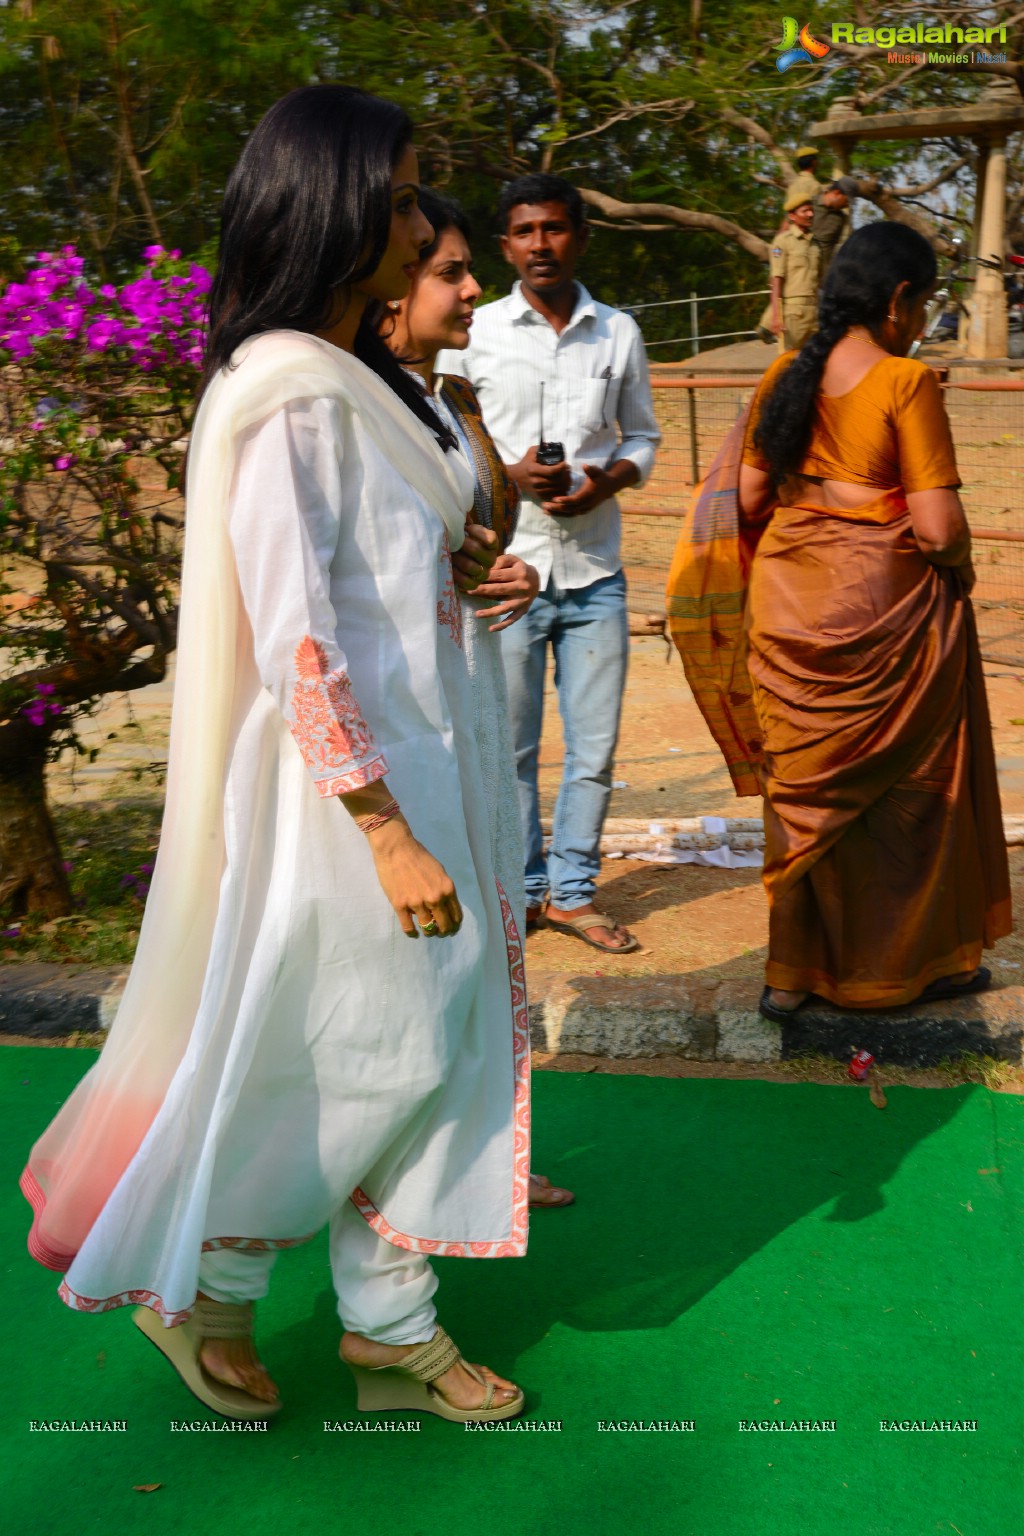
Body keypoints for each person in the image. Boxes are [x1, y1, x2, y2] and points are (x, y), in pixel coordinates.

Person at [20, 85, 528, 1425]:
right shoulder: (285, 390)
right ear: (341, 205)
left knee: (416, 1035)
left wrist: (477, 577)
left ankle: (384, 1330)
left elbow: (381, 578)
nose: (427, 227)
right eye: (410, 194)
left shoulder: (362, 383)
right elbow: (298, 634)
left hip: (423, 771)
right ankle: (211, 1292)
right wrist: (380, 826)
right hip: (343, 798)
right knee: (357, 1046)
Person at [676, 221, 1011, 1018]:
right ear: (899, 300)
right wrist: (957, 567)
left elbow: (749, 499)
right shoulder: (906, 381)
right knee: (914, 792)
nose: (925, 319)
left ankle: (789, 976)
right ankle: (907, 969)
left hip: (789, 608)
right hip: (889, 613)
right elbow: (936, 528)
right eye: (926, 302)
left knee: (801, 792)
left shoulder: (786, 374)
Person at [380, 186, 574, 1209]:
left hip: (471, 686)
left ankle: (489, 1155)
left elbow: (471, 539)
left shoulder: (449, 399)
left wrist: (506, 572)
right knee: (427, 964)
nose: (470, 287)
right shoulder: (347, 407)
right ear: (384, 285)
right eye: (445, 268)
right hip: (403, 717)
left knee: (491, 929)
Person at [437, 173, 660, 953]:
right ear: (505, 246)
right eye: (525, 232)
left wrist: (608, 480)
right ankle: (525, 889)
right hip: (509, 570)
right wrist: (510, 473)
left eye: (555, 229)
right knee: (515, 745)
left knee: (594, 750)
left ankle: (572, 892)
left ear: (580, 238)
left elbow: (643, 438)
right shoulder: (476, 333)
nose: (541, 244)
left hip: (596, 570)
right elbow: (450, 442)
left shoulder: (617, 332)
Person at [769, 192, 820, 351]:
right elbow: (776, 280)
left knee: (816, 363)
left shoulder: (815, 243)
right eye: (805, 211)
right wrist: (776, 316)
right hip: (793, 314)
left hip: (815, 312)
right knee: (788, 364)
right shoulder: (782, 242)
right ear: (792, 215)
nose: (810, 214)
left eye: (811, 210)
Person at [811, 178, 857, 277]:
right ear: (837, 193)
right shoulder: (807, 205)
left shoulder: (841, 219)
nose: (847, 205)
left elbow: (840, 249)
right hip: (796, 277)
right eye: (846, 200)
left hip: (821, 280)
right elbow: (781, 238)